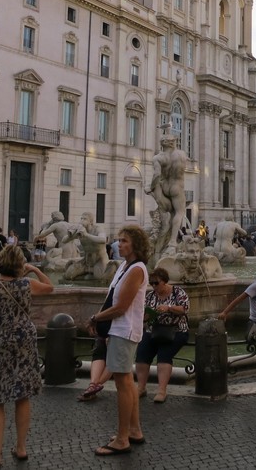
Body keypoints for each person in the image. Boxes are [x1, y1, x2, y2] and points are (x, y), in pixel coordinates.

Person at [0, 246, 53, 468]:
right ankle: (21, 447)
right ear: (19, 265)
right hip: (22, 342)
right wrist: (34, 269)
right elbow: (50, 287)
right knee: (22, 395)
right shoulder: (27, 284)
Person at [89, 225, 150, 455]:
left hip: (124, 330)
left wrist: (95, 317)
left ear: (135, 245)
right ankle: (134, 430)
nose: (119, 244)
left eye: (124, 241)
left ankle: (122, 439)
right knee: (127, 382)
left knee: (123, 384)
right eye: (119, 240)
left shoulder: (136, 270)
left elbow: (121, 307)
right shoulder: (126, 266)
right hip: (119, 330)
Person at [135, 267, 189, 404]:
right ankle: (141, 388)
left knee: (164, 356)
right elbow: (143, 315)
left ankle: (162, 391)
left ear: (164, 282)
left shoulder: (178, 292)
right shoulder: (150, 296)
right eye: (151, 283)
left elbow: (185, 309)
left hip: (176, 331)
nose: (153, 286)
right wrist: (147, 316)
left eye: (156, 283)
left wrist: (169, 308)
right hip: (154, 330)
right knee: (142, 353)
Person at [147, 135, 188, 257]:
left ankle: (161, 237)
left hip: (164, 187)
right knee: (179, 213)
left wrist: (151, 187)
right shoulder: (181, 155)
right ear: (174, 143)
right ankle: (172, 243)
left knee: (167, 213)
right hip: (177, 186)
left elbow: (156, 175)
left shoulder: (158, 158)